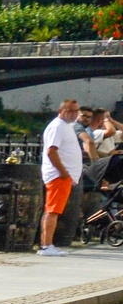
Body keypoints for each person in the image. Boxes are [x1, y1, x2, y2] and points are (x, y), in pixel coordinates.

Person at [42, 97, 85, 255]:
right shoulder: (58, 127)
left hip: (64, 176)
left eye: (76, 111)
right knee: (53, 210)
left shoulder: (67, 126)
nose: (74, 114)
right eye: (70, 111)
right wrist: (63, 172)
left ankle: (47, 244)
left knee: (53, 209)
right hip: (58, 176)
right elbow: (51, 150)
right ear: (61, 111)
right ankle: (47, 245)